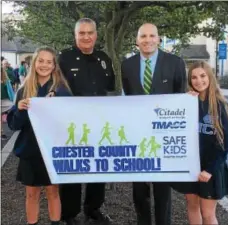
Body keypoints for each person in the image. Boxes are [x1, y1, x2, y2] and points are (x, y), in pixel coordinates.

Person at [121, 23, 187, 225]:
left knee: (162, 188)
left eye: (152, 35)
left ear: (158, 39)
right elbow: (126, 98)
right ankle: (143, 222)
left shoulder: (175, 63)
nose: (147, 40)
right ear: (137, 40)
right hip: (137, 134)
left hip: (163, 135)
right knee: (139, 188)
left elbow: (181, 100)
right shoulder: (127, 65)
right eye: (143, 36)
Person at [58, 18, 115, 225]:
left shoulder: (104, 58)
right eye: (82, 33)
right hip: (73, 125)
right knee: (74, 168)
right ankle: (69, 214)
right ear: (75, 35)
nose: (86, 36)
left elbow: (112, 88)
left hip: (100, 125)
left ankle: (93, 209)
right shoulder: (64, 58)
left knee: (98, 168)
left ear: (96, 35)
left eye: (90, 32)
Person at [7, 46, 72, 225]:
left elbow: (69, 123)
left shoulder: (62, 91)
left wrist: (56, 106)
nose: (44, 65)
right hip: (30, 149)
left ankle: (55, 222)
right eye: (40, 61)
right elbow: (14, 125)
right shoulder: (24, 90)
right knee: (31, 193)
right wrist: (19, 109)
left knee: (53, 191)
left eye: (49, 62)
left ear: (54, 66)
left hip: (52, 150)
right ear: (34, 63)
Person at [172, 61, 228, 225]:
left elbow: (225, 145)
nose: (198, 81)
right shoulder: (188, 102)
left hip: (210, 169)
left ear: (210, 76)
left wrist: (209, 170)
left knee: (208, 214)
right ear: (190, 80)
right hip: (191, 166)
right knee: (192, 207)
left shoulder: (220, 105)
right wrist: (184, 100)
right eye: (194, 77)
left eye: (202, 76)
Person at [1, 67, 14, 140]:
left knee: (13, 107)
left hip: (5, 101)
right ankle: (1, 133)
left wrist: (13, 99)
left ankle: (1, 133)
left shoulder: (6, 81)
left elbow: (10, 92)